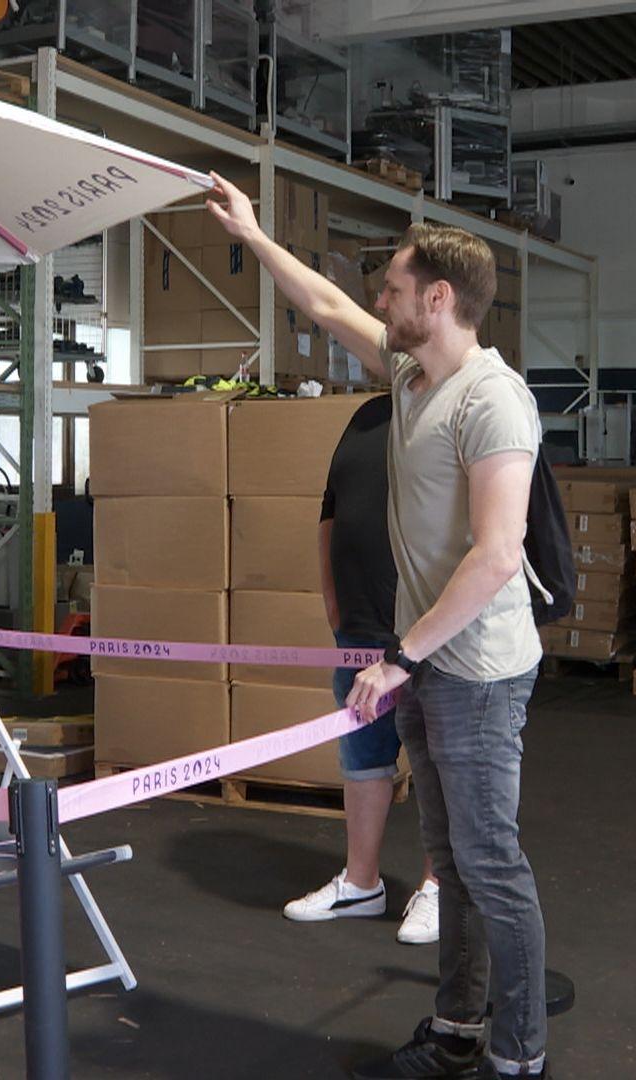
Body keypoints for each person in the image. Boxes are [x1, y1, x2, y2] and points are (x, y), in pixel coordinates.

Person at [206, 173, 551, 1080]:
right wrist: (251, 230)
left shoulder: (492, 400)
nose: (378, 302)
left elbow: (496, 556)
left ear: (437, 300)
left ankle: (520, 1056)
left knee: (490, 864)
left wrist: (399, 657)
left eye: (393, 290)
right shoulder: (410, 377)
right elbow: (320, 302)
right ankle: (459, 1027)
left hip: (474, 669)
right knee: (451, 858)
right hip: (430, 665)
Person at [282, 393, 440, 945]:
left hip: (433, 632)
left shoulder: (458, 407)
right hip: (361, 630)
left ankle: (438, 886)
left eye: (394, 298)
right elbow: (330, 511)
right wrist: (333, 602)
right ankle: (361, 882)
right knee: (363, 758)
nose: (382, 305)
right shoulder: (367, 416)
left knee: (440, 763)